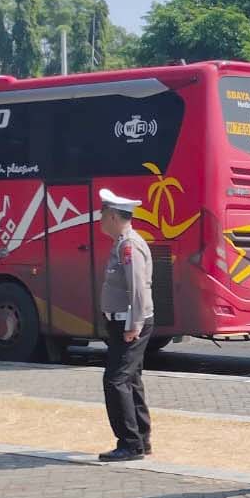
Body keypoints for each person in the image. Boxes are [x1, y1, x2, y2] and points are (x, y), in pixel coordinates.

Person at [97, 188, 154, 462]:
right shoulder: (122, 242)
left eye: (102, 214)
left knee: (115, 380)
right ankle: (141, 438)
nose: (100, 219)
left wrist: (135, 324)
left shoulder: (129, 244)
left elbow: (138, 288)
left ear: (112, 216)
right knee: (130, 379)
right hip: (123, 322)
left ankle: (130, 444)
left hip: (129, 324)